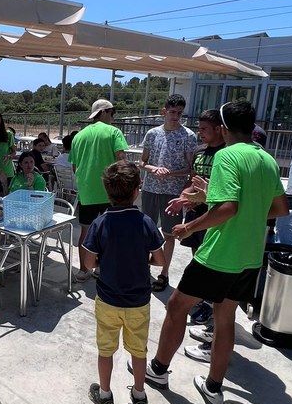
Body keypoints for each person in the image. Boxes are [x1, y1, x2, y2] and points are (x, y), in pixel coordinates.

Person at [144, 100, 289, 404]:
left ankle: (157, 370)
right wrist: (209, 197)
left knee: (176, 306)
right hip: (251, 256)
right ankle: (213, 388)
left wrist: (188, 227)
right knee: (226, 318)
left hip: (220, 254)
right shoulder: (267, 160)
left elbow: (228, 208)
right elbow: (279, 209)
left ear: (223, 128)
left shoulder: (226, 155)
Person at [83, 161, 165, 404]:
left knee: (105, 350)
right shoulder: (146, 222)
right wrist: (143, 259)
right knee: (138, 351)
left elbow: (88, 262)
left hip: (108, 300)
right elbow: (160, 260)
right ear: (137, 190)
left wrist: (103, 261)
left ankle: (105, 396)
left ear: (107, 191)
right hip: (139, 302)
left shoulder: (100, 223)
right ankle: (139, 396)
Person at [139, 94, 198, 293]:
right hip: (150, 189)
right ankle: (144, 267)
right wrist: (154, 169)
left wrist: (171, 173)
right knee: (147, 231)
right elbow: (142, 162)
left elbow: (190, 169)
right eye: (172, 112)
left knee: (169, 234)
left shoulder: (188, 136)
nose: (175, 116)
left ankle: (164, 272)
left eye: (179, 113)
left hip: (173, 192)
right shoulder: (152, 134)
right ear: (164, 111)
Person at [70, 99, 128, 283]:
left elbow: (74, 166)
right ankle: (101, 268)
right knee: (108, 232)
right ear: (103, 112)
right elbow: (121, 161)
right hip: (110, 192)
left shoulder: (79, 136)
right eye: (112, 112)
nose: (113, 117)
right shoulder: (114, 132)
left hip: (86, 192)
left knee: (85, 232)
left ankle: (83, 270)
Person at [182, 109, 226, 330]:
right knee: (197, 257)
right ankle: (201, 297)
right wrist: (185, 197)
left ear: (218, 129)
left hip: (214, 216)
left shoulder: (226, 154)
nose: (200, 133)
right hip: (195, 213)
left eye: (204, 129)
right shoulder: (199, 151)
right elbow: (193, 181)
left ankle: (210, 303)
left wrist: (203, 199)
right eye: (199, 128)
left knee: (211, 261)